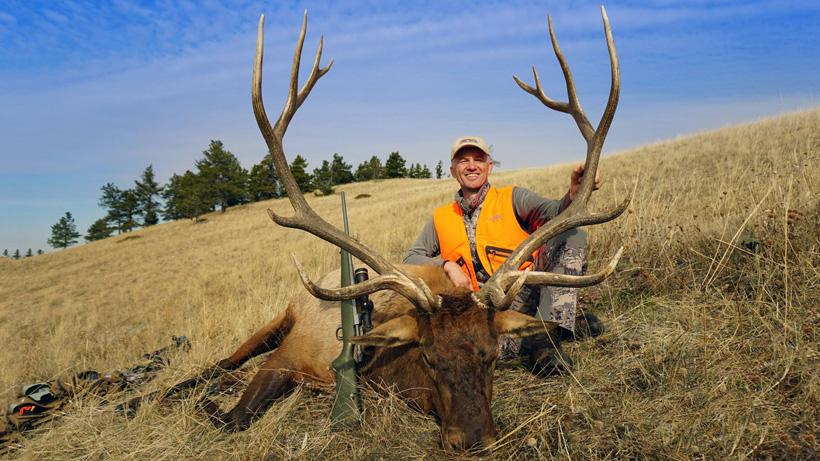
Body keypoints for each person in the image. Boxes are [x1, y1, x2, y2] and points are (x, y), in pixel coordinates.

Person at [403, 136, 605, 376]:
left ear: (490, 166)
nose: (471, 166)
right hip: (480, 310)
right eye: (463, 160)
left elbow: (555, 215)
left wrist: (573, 194)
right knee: (472, 348)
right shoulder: (441, 217)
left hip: (526, 291)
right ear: (452, 170)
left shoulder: (513, 198)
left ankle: (546, 340)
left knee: (571, 234)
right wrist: (446, 265)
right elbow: (411, 258)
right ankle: (561, 326)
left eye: (479, 159)